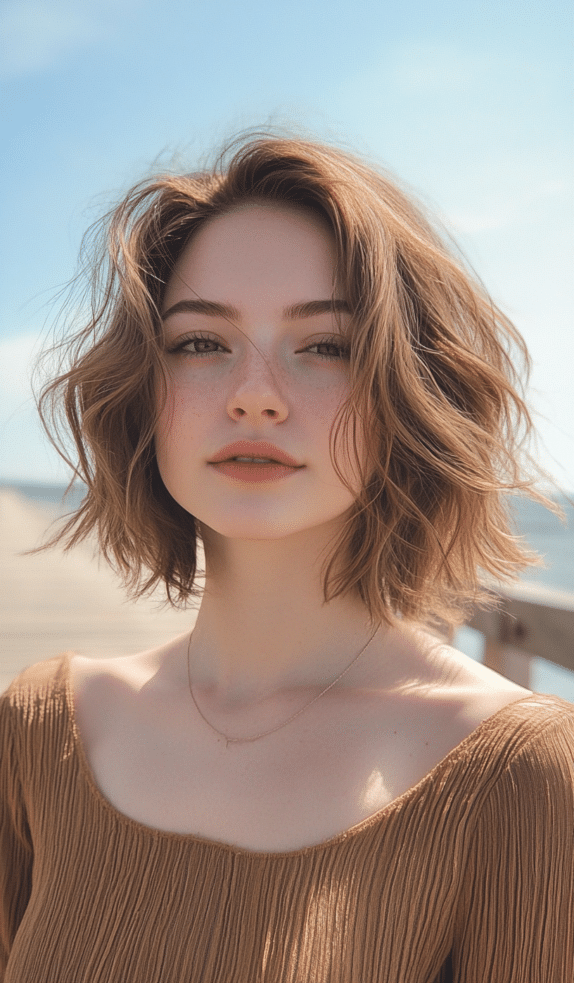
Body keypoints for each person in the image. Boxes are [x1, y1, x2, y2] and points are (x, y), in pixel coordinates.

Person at [1, 133, 573, 982]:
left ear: (404, 390)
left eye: (325, 346)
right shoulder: (39, 732)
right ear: (145, 390)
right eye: (201, 342)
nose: (255, 394)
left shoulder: (521, 780)